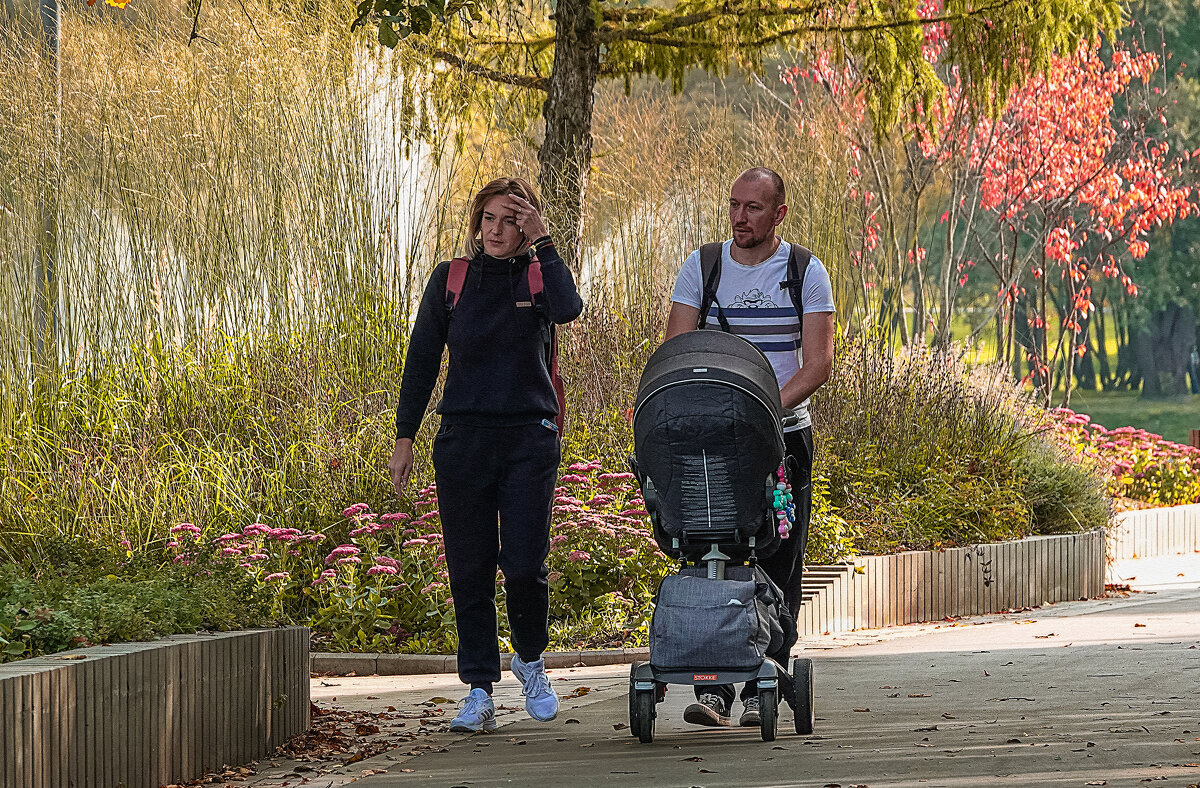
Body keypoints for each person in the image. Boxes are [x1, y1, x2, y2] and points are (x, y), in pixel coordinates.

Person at [388, 177, 583, 733]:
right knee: (469, 569)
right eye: (489, 219)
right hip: (463, 440)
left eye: (511, 221)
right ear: (477, 223)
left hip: (529, 438)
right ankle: (478, 689)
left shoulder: (538, 276)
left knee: (524, 563)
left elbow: (569, 308)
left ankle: (530, 658)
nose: (496, 231)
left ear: (527, 227)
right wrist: (405, 436)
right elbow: (422, 358)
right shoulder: (451, 280)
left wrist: (544, 243)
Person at [663, 167, 835, 728]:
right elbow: (677, 350)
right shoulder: (703, 268)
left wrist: (763, 410)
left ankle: (766, 673)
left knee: (778, 559)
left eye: (754, 208)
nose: (740, 217)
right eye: (735, 205)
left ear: (778, 214)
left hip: (781, 438)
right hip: (710, 439)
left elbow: (817, 364)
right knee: (711, 552)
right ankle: (715, 685)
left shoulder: (805, 272)